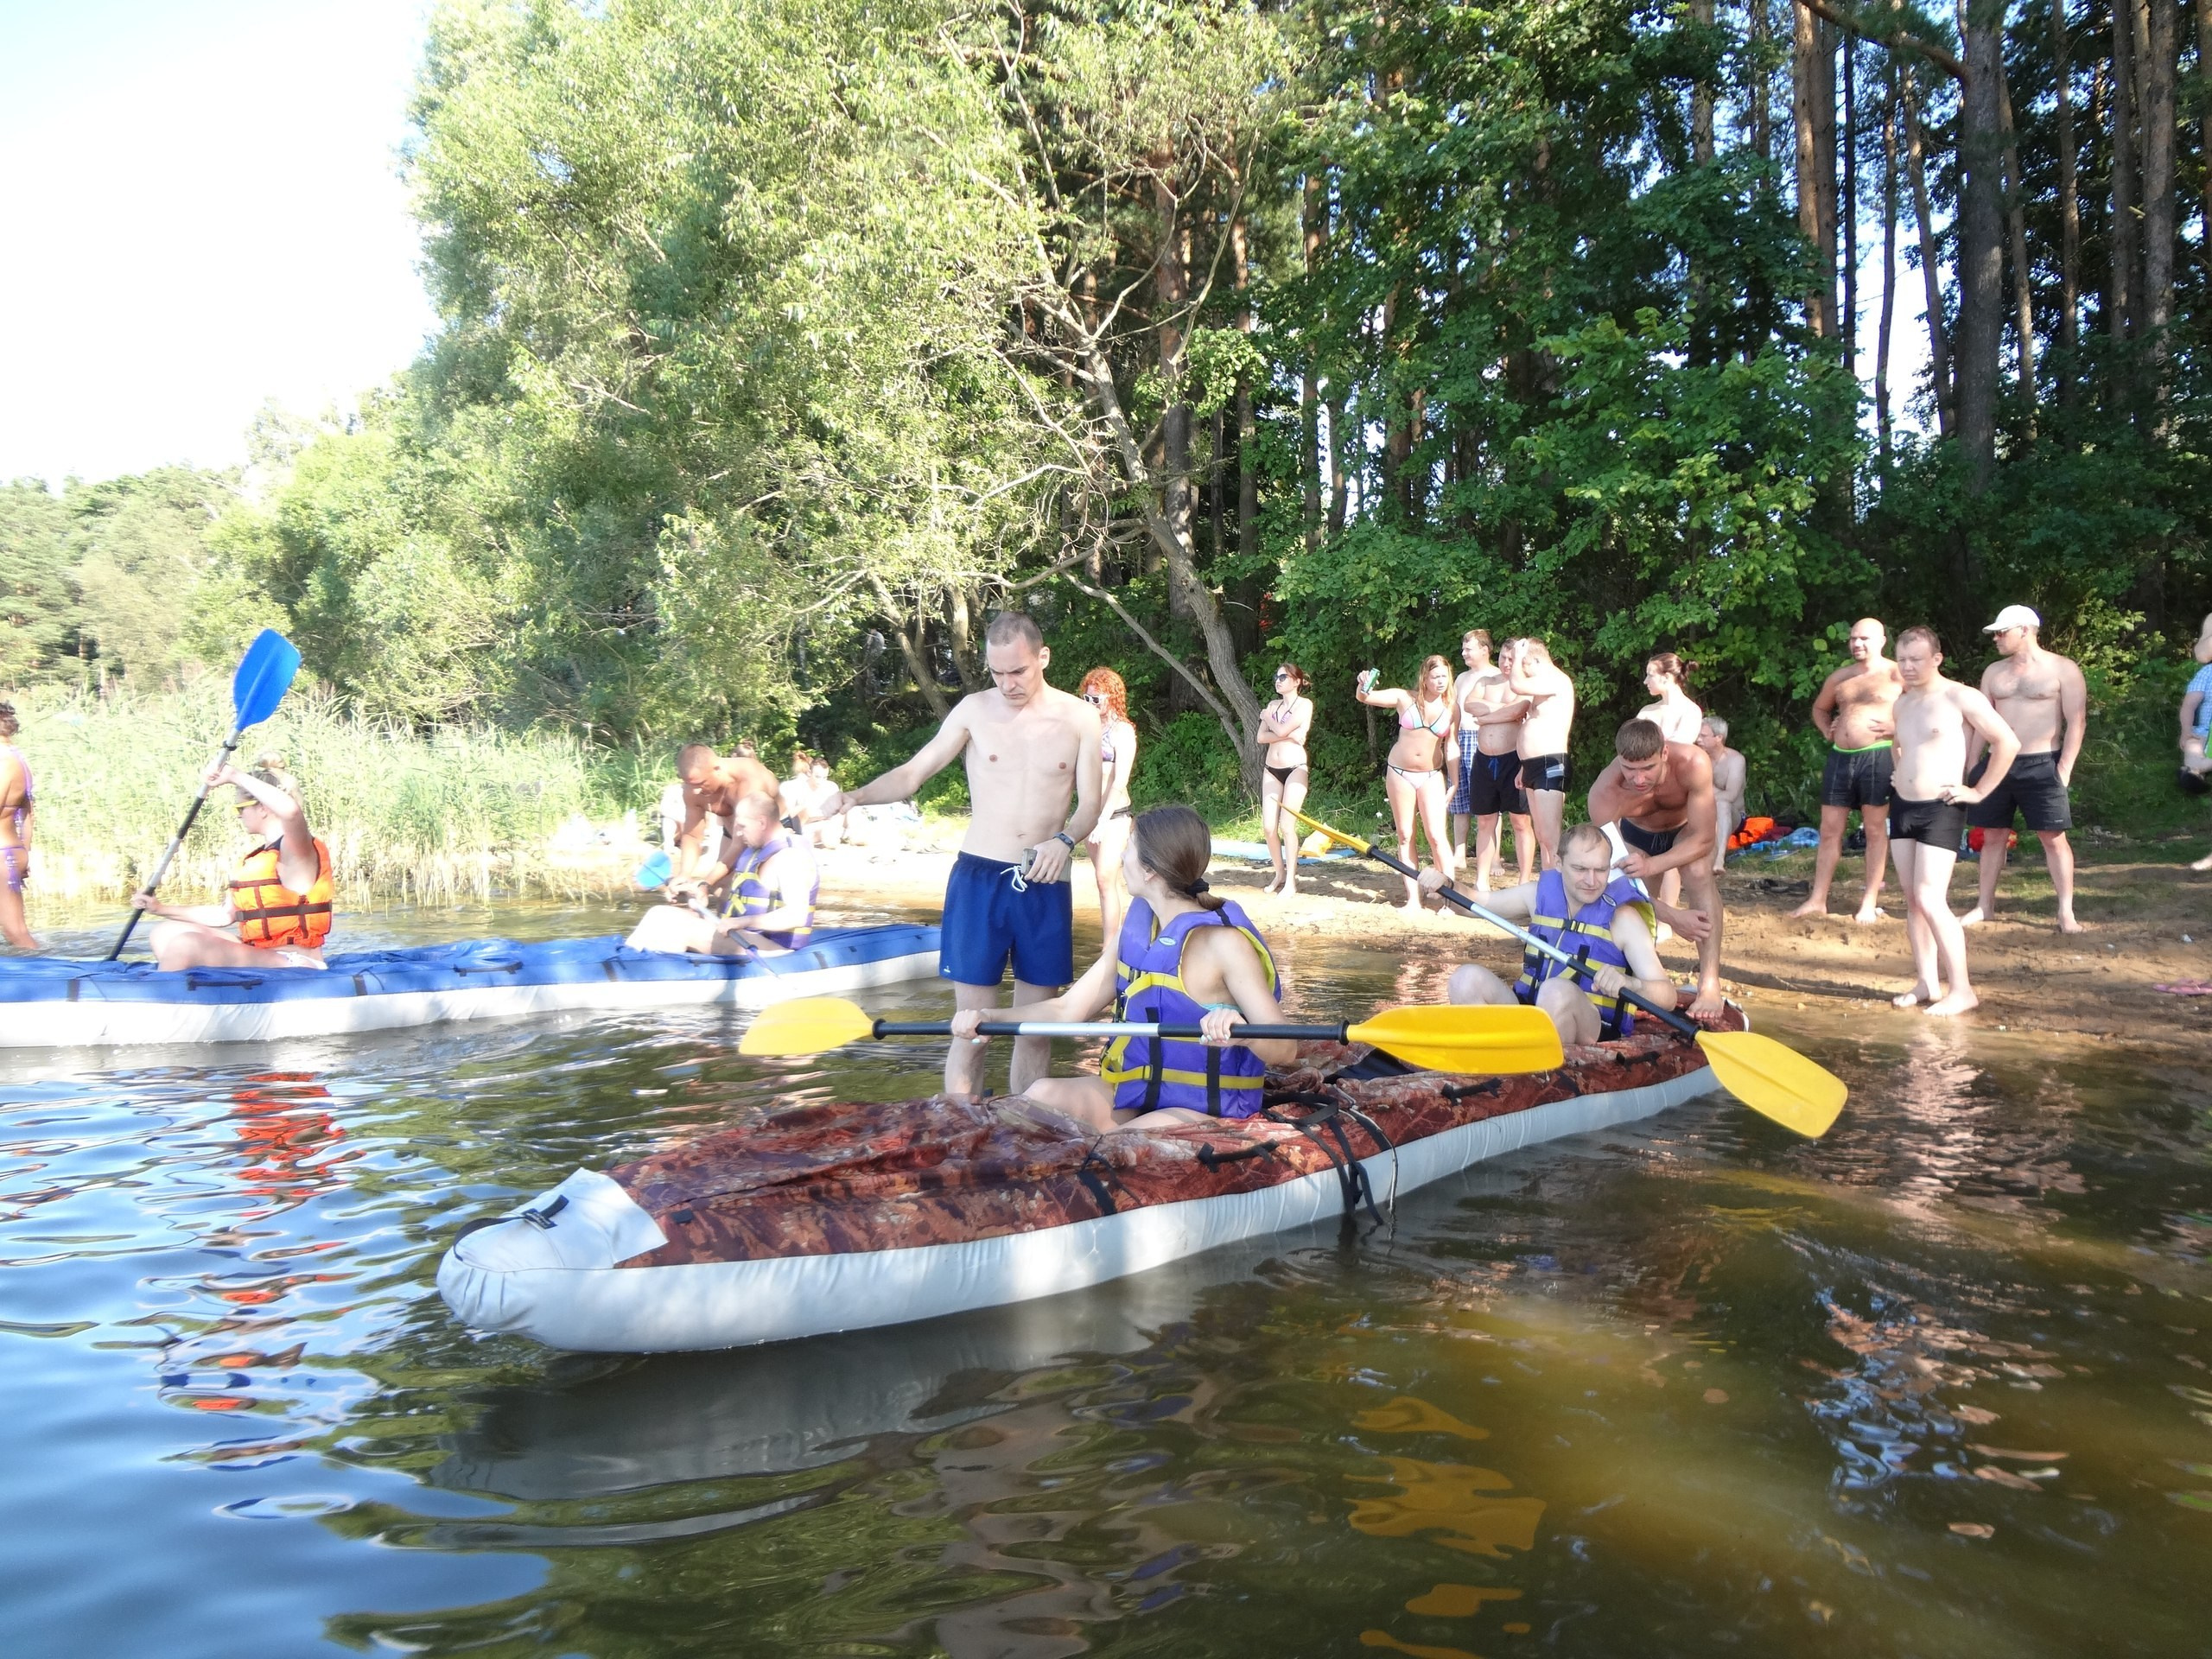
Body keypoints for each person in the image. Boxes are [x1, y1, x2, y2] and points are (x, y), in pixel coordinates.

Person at [825, 610, 1102, 1099]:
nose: (1008, 684)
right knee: (970, 1028)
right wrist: (856, 795)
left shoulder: (1079, 717)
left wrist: (1064, 842)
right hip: (979, 880)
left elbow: (1090, 807)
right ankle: (958, 1127)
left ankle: (1027, 1126)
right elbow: (914, 773)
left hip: (1045, 879)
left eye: (1018, 671)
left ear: (1043, 658)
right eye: (997, 673)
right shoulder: (974, 710)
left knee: (1034, 1030)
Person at [947, 804, 1294, 1128]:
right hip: (1135, 1095)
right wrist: (991, 1018)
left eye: (1128, 848)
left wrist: (1242, 1031)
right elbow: (1067, 1009)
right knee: (1038, 1097)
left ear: (1149, 870)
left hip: (1204, 1109)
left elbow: (1286, 1049)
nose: (1121, 857)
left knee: (1110, 1147)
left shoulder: (1223, 943)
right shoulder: (1139, 932)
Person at [1417, 822, 1676, 1046]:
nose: (1592, 880)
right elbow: (1477, 903)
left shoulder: (1624, 919)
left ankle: (1542, 1075)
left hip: (1591, 1025)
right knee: (1465, 978)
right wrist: (1446, 885)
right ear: (1560, 864)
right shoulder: (1536, 895)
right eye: (1581, 869)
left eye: (1601, 870)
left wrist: (1632, 984)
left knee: (1556, 991)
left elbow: (1668, 997)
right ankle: (1483, 1059)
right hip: (1530, 1013)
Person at [1885, 626, 2020, 1017]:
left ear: (1936, 659)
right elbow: (1901, 746)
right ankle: (1927, 981)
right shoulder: (1902, 703)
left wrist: (1978, 791)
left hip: (1942, 805)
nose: (1908, 667)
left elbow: (2007, 742)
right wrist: (1898, 772)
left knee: (1930, 897)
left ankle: (1962, 989)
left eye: (1916, 660)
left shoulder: (1960, 696)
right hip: (1904, 806)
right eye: (1902, 659)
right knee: (1912, 899)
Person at [131, 758, 334, 971]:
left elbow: (291, 812)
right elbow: (223, 916)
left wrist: (234, 775)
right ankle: (192, 991)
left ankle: (169, 999)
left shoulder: (296, 849)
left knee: (186, 945)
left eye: (241, 806)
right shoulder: (254, 860)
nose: (238, 814)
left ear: (263, 808)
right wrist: (159, 908)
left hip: (296, 962)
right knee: (165, 933)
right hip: (261, 955)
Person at [1586, 718, 1726, 1021]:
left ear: (1663, 753)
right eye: (1629, 769)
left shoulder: (1692, 762)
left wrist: (1655, 863)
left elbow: (1704, 837)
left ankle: (1710, 982)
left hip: (1686, 832)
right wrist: (1672, 916)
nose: (1638, 779)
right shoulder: (1605, 794)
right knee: (1638, 899)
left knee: (1698, 873)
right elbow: (1615, 876)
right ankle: (1650, 979)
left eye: (1647, 768)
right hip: (1637, 837)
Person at [1960, 606, 2088, 933]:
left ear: (2026, 630)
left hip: (2042, 761)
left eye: (2003, 632)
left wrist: (2065, 768)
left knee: (2053, 837)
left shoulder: (2063, 669)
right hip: (1997, 763)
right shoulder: (1993, 673)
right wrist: (1972, 765)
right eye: (1996, 633)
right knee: (1992, 836)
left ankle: (2066, 912)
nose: (1997, 638)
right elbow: (1979, 721)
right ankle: (1984, 906)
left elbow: (2076, 720)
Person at [1791, 617, 1905, 924]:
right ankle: (1818, 899)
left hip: (1878, 755)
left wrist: (1898, 727)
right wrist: (1826, 729)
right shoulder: (1841, 677)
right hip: (1841, 757)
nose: (1857, 644)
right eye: (1853, 638)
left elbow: (1926, 707)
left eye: (1865, 638)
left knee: (1875, 829)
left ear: (1882, 640)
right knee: (1829, 829)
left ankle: (1869, 900)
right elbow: (1819, 708)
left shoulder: (1898, 673)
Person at [626, 792, 818, 957]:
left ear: (762, 822)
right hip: (745, 937)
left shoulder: (791, 857)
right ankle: (627, 960)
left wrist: (741, 922)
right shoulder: (756, 850)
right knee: (660, 914)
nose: (739, 834)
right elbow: (741, 897)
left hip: (777, 952)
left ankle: (640, 975)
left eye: (742, 826)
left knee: (677, 927)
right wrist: (700, 891)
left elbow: (796, 916)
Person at [1356, 654, 1459, 912]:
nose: (1440, 682)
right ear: (1424, 678)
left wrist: (1455, 782)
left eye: (1444, 677)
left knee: (1437, 836)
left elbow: (1452, 746)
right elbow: (1365, 697)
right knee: (1405, 835)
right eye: (1435, 677)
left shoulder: (1452, 707)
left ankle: (1449, 899)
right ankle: (1413, 898)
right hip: (1399, 772)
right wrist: (1363, 682)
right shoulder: (1405, 698)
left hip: (1432, 774)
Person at [1452, 632, 1535, 891]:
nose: (1506, 663)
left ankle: (1523, 880)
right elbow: (1469, 705)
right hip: (1484, 759)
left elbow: (1518, 710)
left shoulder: (1525, 686)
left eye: (1511, 659)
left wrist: (1488, 717)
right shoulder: (1486, 681)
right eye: (1503, 657)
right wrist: (1501, 713)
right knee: (1485, 820)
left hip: (1514, 758)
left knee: (1521, 821)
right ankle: (1481, 880)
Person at [1505, 637, 1577, 869]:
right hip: (1532, 765)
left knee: (1550, 835)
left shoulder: (1556, 680)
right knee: (1541, 835)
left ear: (1535, 660)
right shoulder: (1541, 686)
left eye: (1523, 665)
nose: (1521, 671)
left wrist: (1517, 656)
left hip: (1551, 763)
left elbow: (1516, 684)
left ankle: (1563, 887)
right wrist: (1523, 766)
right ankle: (1549, 884)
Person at [1079, 667, 1139, 937]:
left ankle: (1110, 946)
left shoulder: (1122, 731)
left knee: (1106, 877)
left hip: (1114, 816)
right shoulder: (1086, 729)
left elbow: (1119, 781)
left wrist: (1102, 821)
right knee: (1102, 882)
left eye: (1095, 699)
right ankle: (1110, 942)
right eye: (1086, 699)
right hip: (1089, 814)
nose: (1090, 704)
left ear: (1111, 698)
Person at [1255, 662, 1313, 897]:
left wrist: (1271, 720)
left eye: (1283, 677)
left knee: (1287, 825)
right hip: (1271, 768)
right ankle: (1278, 872)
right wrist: (1287, 734)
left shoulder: (1304, 705)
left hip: (1295, 768)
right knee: (1269, 827)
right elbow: (1261, 737)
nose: (1278, 681)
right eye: (1276, 676)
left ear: (1297, 681)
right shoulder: (1273, 705)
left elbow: (1277, 731)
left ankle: (1291, 881)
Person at [658, 743, 726, 893]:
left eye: (701, 783)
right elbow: (693, 836)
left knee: (724, 888)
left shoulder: (747, 782)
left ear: (717, 770)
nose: (696, 791)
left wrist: (707, 884)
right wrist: (684, 875)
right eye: (689, 784)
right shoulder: (689, 791)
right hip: (727, 840)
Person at [0, 702, 36, 950]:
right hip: (12, 851)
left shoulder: (3, 761)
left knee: (16, 932)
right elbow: (30, 813)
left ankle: (51, 980)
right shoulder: (17, 758)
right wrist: (26, 851)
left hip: (3, 856)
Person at [1697, 715, 1746, 877]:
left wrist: (1706, 788)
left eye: (1704, 736)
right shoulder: (1697, 757)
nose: (1698, 739)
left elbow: (1731, 795)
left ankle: (1719, 859)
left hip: (1733, 815)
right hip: (1702, 811)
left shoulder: (1735, 760)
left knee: (1723, 803)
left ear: (1719, 738)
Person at [2183, 613, 2212, 873]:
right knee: (2193, 757)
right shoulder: (2207, 673)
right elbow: (2189, 704)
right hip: (2206, 736)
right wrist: (2185, 732)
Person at [1637, 652, 1704, 743]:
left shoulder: (1691, 711)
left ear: (1666, 677)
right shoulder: (1646, 711)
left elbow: (1679, 748)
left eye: (1651, 675)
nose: (1645, 681)